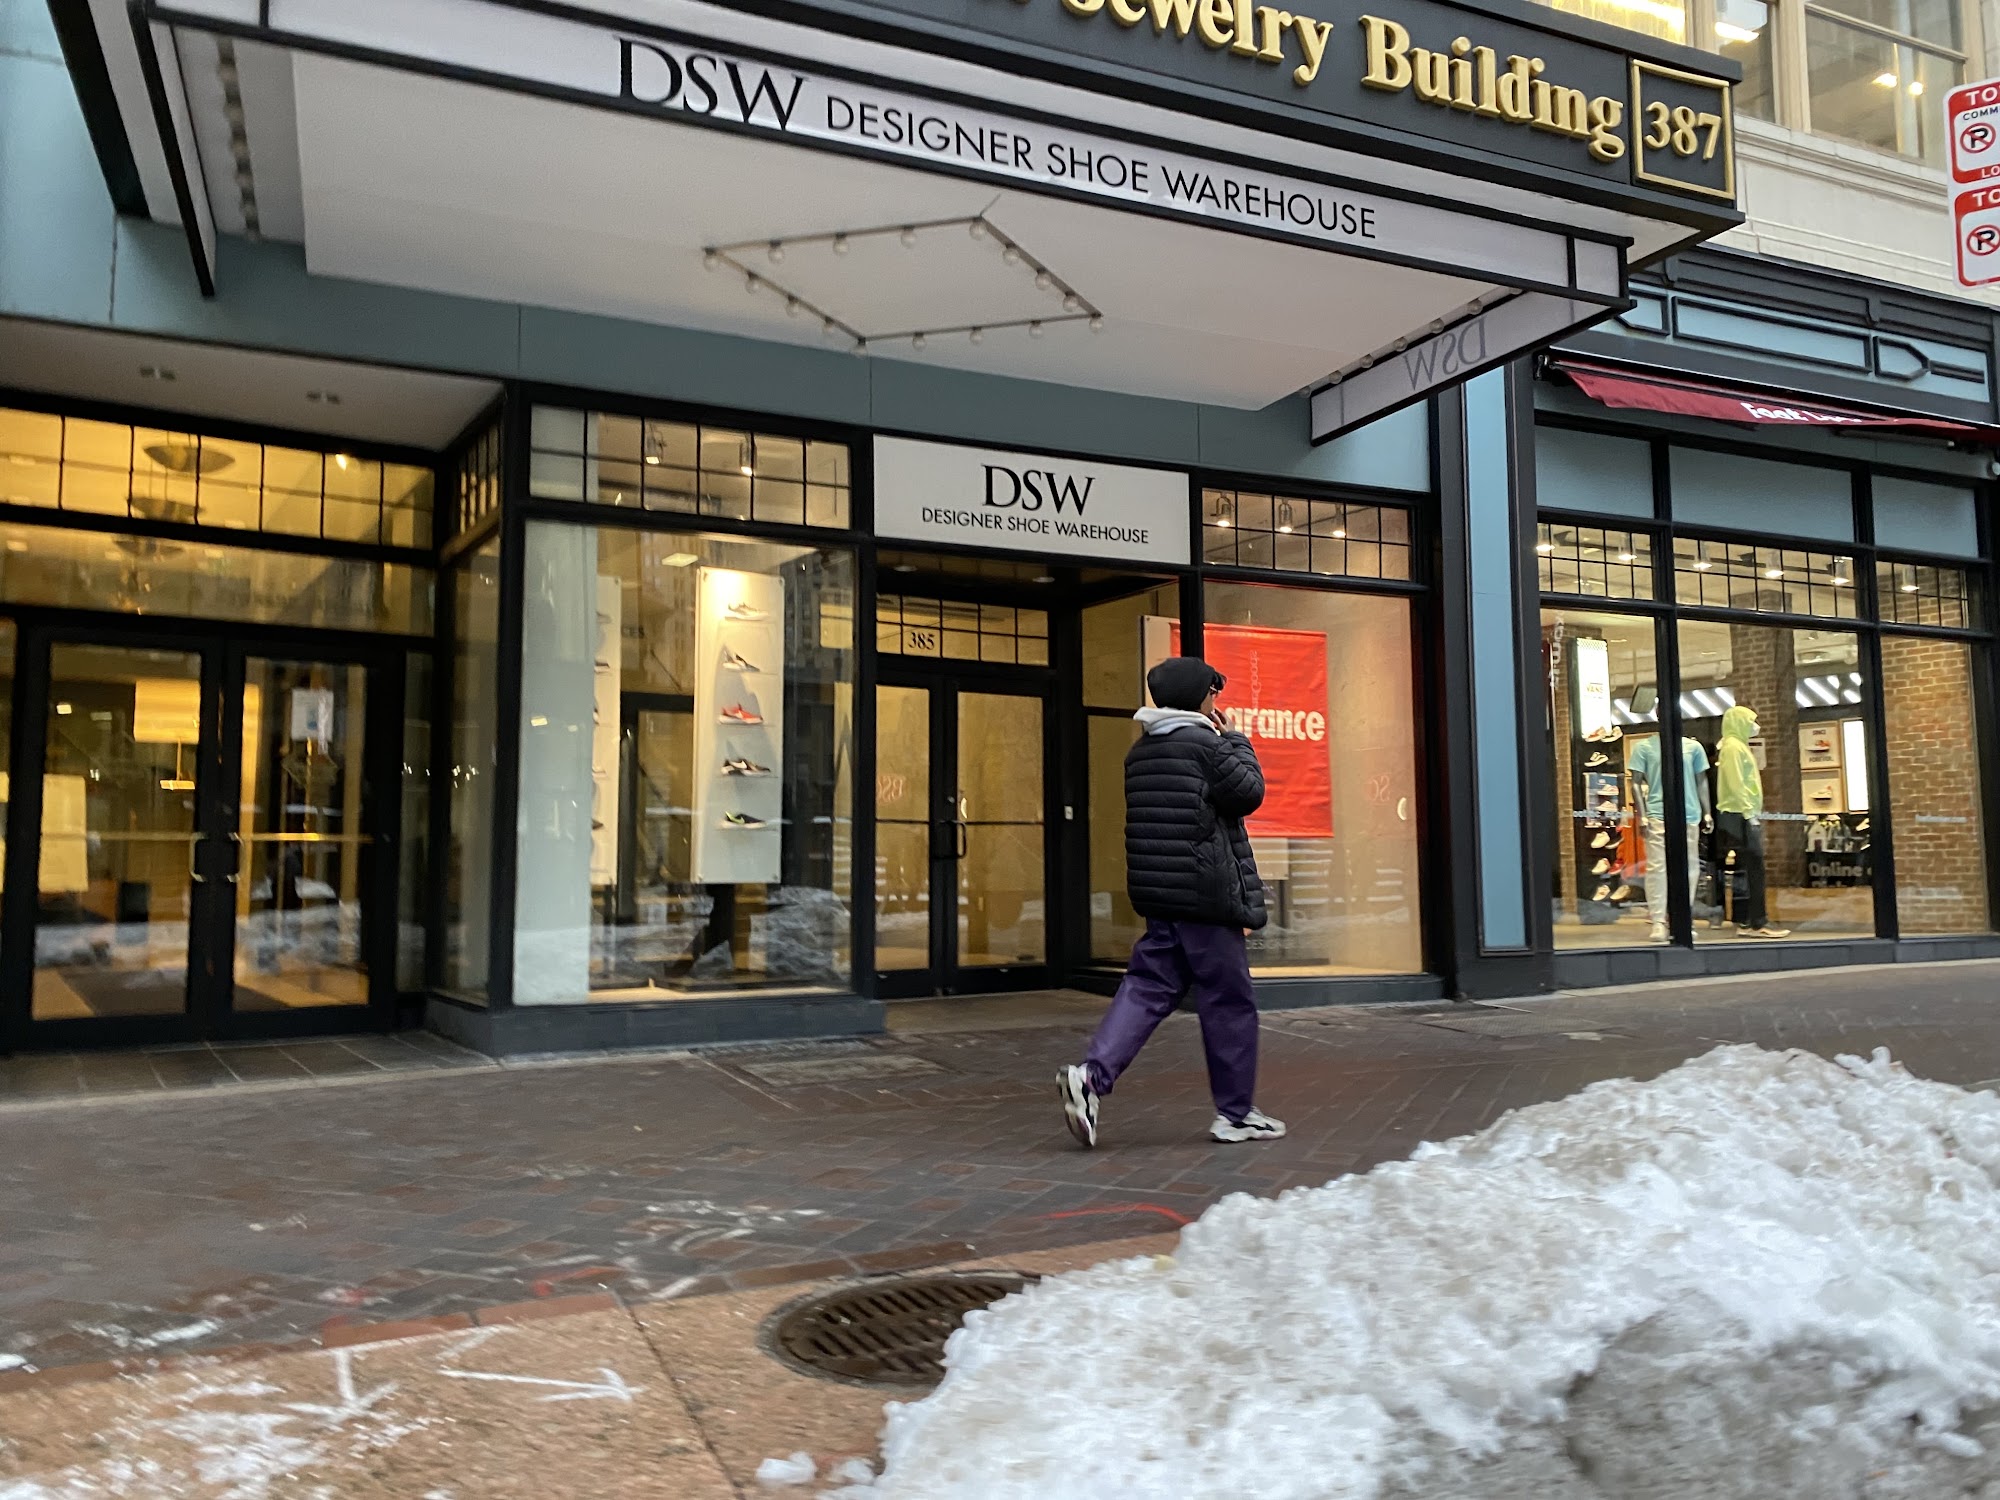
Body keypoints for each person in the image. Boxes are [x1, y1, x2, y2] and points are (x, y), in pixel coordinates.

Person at [1057, 656, 1286, 1148]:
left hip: (1163, 896)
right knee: (1228, 1001)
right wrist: (1236, 739)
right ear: (1198, 697)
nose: (1216, 700)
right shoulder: (1207, 745)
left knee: (1147, 988)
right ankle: (1236, 1114)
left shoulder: (1141, 752)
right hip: (1207, 898)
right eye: (1212, 692)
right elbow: (1249, 792)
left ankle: (1091, 1077)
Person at [1626, 733, 1711, 943]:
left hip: (1689, 814)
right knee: (1657, 868)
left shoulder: (1693, 747)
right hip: (1657, 814)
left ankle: (1683, 918)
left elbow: (1701, 781)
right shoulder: (1644, 747)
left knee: (1690, 868)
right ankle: (1658, 920)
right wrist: (1642, 815)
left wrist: (1707, 812)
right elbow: (1635, 782)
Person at [1714, 703, 1790, 939]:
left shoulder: (1735, 746)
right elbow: (1736, 783)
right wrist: (1749, 814)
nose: (1755, 726)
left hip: (1739, 813)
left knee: (1745, 869)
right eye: (1750, 721)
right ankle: (1758, 922)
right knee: (1754, 867)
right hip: (1739, 814)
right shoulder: (1733, 748)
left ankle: (1746, 921)